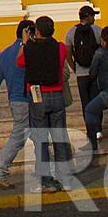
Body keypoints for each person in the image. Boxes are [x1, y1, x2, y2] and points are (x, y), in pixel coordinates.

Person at [17, 14, 72, 192]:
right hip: (56, 94)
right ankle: (65, 178)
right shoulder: (60, 47)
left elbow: (19, 62)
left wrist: (25, 42)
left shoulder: (29, 48)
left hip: (38, 94)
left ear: (37, 30)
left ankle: (46, 179)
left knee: (41, 138)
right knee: (60, 137)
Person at [0, 19, 33, 189]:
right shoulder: (27, 51)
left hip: (14, 100)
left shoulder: (4, 54)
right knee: (18, 137)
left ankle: (48, 172)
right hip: (26, 100)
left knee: (39, 136)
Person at [68, 5, 101, 108]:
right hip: (95, 73)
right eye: (93, 16)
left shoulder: (71, 32)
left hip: (81, 74)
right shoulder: (98, 30)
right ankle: (97, 123)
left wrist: (75, 68)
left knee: (85, 104)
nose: (94, 19)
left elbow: (68, 54)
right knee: (97, 103)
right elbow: (104, 51)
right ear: (89, 17)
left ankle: (88, 123)